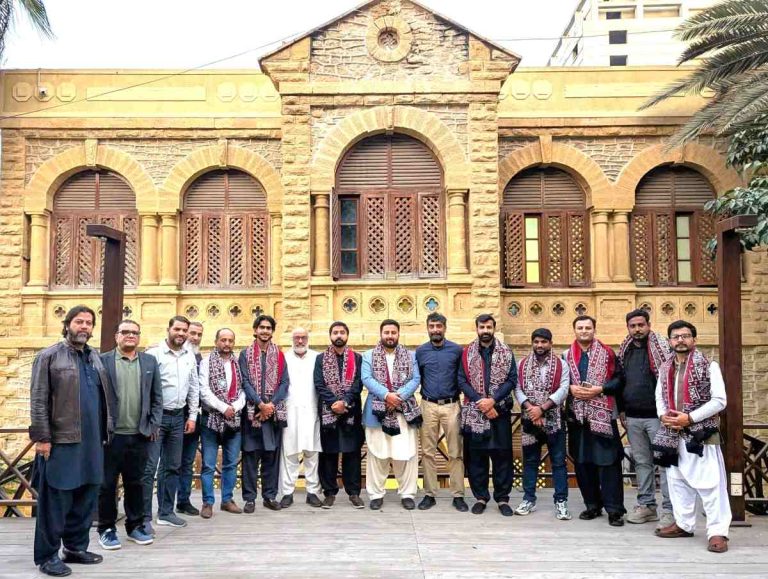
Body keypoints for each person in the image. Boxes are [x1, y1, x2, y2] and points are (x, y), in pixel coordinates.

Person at [29, 305, 115, 576]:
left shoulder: (95, 358)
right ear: (67, 325)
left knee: (86, 498)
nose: (84, 327)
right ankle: (47, 556)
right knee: (56, 500)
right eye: (79, 322)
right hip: (62, 443)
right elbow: (39, 399)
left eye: (89, 323)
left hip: (92, 443)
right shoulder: (49, 357)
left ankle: (75, 548)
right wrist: (42, 438)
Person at [654, 321, 731, 553]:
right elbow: (659, 397)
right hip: (672, 433)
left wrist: (690, 418)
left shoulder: (709, 365)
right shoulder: (665, 368)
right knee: (677, 481)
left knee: (711, 483)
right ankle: (684, 524)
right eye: (675, 336)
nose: (680, 340)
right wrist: (663, 416)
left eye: (685, 336)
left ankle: (717, 532)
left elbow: (719, 401)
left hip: (700, 432)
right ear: (669, 341)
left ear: (694, 340)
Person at [97, 320, 162, 550]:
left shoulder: (149, 362)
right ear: (117, 336)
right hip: (110, 436)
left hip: (139, 435)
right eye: (125, 332)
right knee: (106, 485)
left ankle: (134, 526)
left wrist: (153, 425)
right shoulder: (102, 361)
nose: (130, 336)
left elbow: (157, 398)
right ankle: (106, 528)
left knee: (135, 483)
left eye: (134, 333)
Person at [565, 315, 625, 526]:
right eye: (580, 327)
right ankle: (592, 505)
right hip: (577, 417)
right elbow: (561, 383)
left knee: (608, 463)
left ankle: (614, 510)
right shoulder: (566, 355)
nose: (584, 331)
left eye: (587, 328)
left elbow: (619, 380)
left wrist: (601, 389)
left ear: (594, 329)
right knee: (582, 462)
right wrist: (570, 388)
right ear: (574, 330)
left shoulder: (608, 353)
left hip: (603, 417)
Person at [617, 309, 674, 527]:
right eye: (633, 326)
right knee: (642, 463)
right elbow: (621, 381)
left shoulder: (662, 348)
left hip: (658, 417)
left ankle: (669, 509)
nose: (637, 329)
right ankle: (647, 505)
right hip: (633, 416)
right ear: (628, 328)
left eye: (641, 325)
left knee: (665, 463)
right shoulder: (625, 350)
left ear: (648, 325)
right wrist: (621, 409)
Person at [142, 316, 199, 531]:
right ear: (169, 329)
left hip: (178, 417)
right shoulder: (153, 354)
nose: (181, 334)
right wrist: (148, 419)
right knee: (149, 468)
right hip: (157, 417)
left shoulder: (189, 355)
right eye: (178, 329)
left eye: (185, 330)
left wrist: (192, 416)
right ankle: (144, 516)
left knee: (173, 466)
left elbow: (193, 387)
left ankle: (166, 512)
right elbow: (144, 389)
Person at [458, 314, 517, 516]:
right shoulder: (466, 353)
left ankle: (502, 499)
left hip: (499, 412)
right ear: (476, 328)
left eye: (488, 327)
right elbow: (462, 381)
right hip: (475, 413)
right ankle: (481, 497)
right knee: (477, 457)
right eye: (482, 327)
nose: (485, 330)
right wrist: (480, 402)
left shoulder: (506, 352)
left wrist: (492, 401)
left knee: (502, 456)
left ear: (494, 328)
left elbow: (511, 380)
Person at [362, 319, 422, 510]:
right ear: (381, 334)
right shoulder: (369, 355)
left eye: (393, 332)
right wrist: (387, 395)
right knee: (377, 453)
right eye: (386, 332)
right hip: (377, 412)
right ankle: (376, 494)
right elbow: (366, 378)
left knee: (405, 453)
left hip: (404, 411)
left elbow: (416, 379)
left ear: (398, 334)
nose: (390, 336)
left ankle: (407, 493)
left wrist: (400, 396)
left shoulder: (410, 355)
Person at [514, 328, 571, 520]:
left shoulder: (562, 365)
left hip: (554, 420)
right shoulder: (522, 364)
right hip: (530, 420)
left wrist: (543, 408)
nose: (540, 345)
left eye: (544, 342)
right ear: (532, 343)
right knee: (530, 461)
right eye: (536, 342)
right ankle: (528, 498)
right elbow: (518, 388)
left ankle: (561, 502)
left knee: (558, 462)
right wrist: (532, 409)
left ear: (550, 343)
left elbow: (564, 389)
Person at [415, 312, 467, 512]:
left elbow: (462, 376)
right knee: (428, 452)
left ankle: (458, 495)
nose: (435, 330)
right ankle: (429, 494)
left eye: (439, 326)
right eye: (432, 326)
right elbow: (415, 378)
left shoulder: (456, 350)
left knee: (455, 451)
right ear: (427, 328)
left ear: (445, 328)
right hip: (427, 405)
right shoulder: (420, 351)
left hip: (452, 405)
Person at [240, 314, 289, 512]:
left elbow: (285, 383)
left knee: (272, 457)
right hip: (252, 414)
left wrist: (270, 405)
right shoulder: (245, 354)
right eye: (262, 327)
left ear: (272, 332)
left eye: (269, 328)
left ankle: (269, 496)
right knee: (251, 457)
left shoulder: (279, 355)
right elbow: (245, 381)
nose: (265, 331)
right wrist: (260, 404)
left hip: (273, 415)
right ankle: (250, 498)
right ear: (255, 330)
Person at [314, 321, 365, 509]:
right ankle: (329, 493)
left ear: (347, 335)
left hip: (350, 411)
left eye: (342, 332)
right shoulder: (320, 359)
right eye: (335, 332)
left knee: (352, 452)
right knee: (329, 453)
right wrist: (333, 403)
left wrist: (344, 402)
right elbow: (319, 384)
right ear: (330, 336)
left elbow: (358, 384)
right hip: (328, 412)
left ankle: (353, 493)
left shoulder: (357, 359)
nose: (338, 335)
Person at [198, 328, 245, 518]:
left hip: (233, 419)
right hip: (211, 419)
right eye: (223, 340)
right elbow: (204, 389)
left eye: (230, 340)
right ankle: (208, 503)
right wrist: (222, 407)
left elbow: (243, 389)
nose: (227, 344)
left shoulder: (238, 363)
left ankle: (227, 500)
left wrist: (234, 406)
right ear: (216, 341)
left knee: (231, 463)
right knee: (209, 464)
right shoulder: (207, 361)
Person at [279, 327, 323, 508]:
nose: (299, 341)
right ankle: (287, 493)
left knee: (312, 453)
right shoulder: (284, 358)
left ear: (308, 339)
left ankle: (312, 491)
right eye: (296, 338)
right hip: (290, 411)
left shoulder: (317, 357)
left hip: (312, 411)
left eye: (303, 338)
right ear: (292, 339)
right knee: (289, 453)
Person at [177, 321, 204, 516]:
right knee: (168, 463)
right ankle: (165, 503)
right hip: (174, 415)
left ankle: (184, 500)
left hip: (194, 417)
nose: (194, 337)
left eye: (198, 334)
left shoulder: (200, 358)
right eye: (191, 333)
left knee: (187, 461)